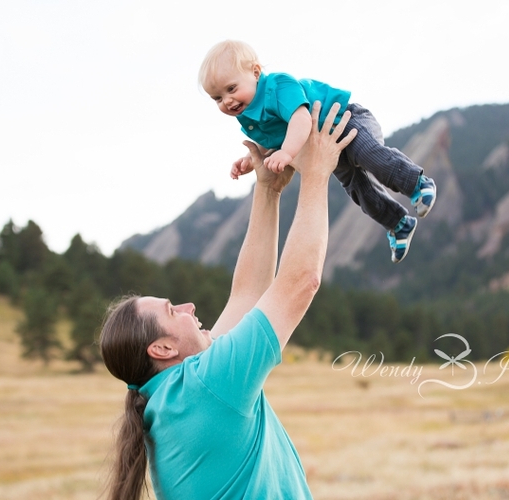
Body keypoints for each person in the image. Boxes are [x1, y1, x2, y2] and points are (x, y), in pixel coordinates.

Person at [99, 102, 357, 500]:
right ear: (162, 348)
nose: (189, 308)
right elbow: (300, 282)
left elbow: (248, 295)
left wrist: (268, 190)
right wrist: (318, 172)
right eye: (172, 311)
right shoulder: (205, 386)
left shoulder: (172, 397)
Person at [199, 39, 437, 263]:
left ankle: (417, 183)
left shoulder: (278, 86)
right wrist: (252, 159)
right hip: (326, 147)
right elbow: (273, 137)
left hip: (344, 120)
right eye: (217, 98)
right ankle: (398, 224)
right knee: (358, 189)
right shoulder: (249, 114)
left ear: (255, 72)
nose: (227, 101)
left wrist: (287, 153)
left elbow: (301, 119)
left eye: (231, 88)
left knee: (369, 154)